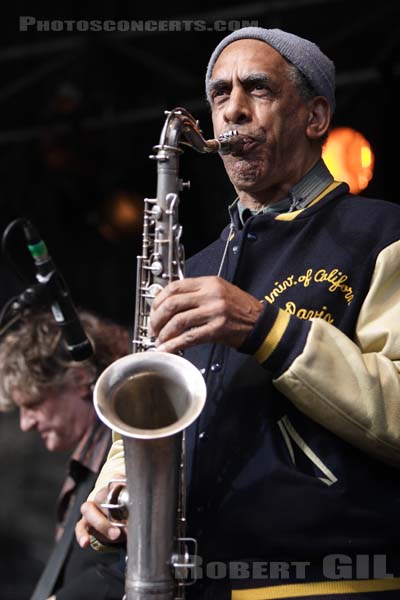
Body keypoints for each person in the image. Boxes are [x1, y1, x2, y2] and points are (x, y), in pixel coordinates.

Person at [76, 27, 400, 599]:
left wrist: (264, 328)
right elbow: (148, 417)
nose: (233, 110)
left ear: (316, 116)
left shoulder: (380, 234)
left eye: (258, 90)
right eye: (220, 94)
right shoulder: (192, 267)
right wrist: (112, 491)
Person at [0, 309, 129, 600]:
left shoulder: (123, 457)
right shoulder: (89, 459)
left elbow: (131, 566)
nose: (25, 423)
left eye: (32, 403)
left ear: (80, 378)